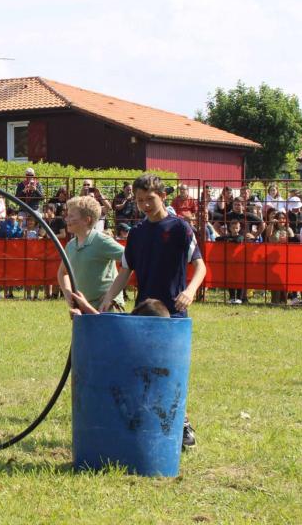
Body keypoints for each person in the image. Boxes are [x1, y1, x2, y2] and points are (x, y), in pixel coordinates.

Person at [97, 173, 206, 448]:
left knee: (171, 368)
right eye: (140, 200)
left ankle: (182, 425)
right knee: (142, 367)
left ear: (163, 197)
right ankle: (144, 421)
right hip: (143, 312)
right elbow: (125, 271)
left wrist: (190, 291)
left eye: (150, 199)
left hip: (174, 311)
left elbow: (200, 266)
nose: (145, 204)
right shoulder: (137, 233)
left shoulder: (181, 228)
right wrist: (109, 296)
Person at [57, 195, 126, 317]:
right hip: (83, 306)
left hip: (106, 308)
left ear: (87, 220)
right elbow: (62, 272)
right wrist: (68, 292)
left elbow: (130, 260)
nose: (66, 219)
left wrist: (111, 295)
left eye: (71, 216)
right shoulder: (71, 245)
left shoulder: (102, 241)